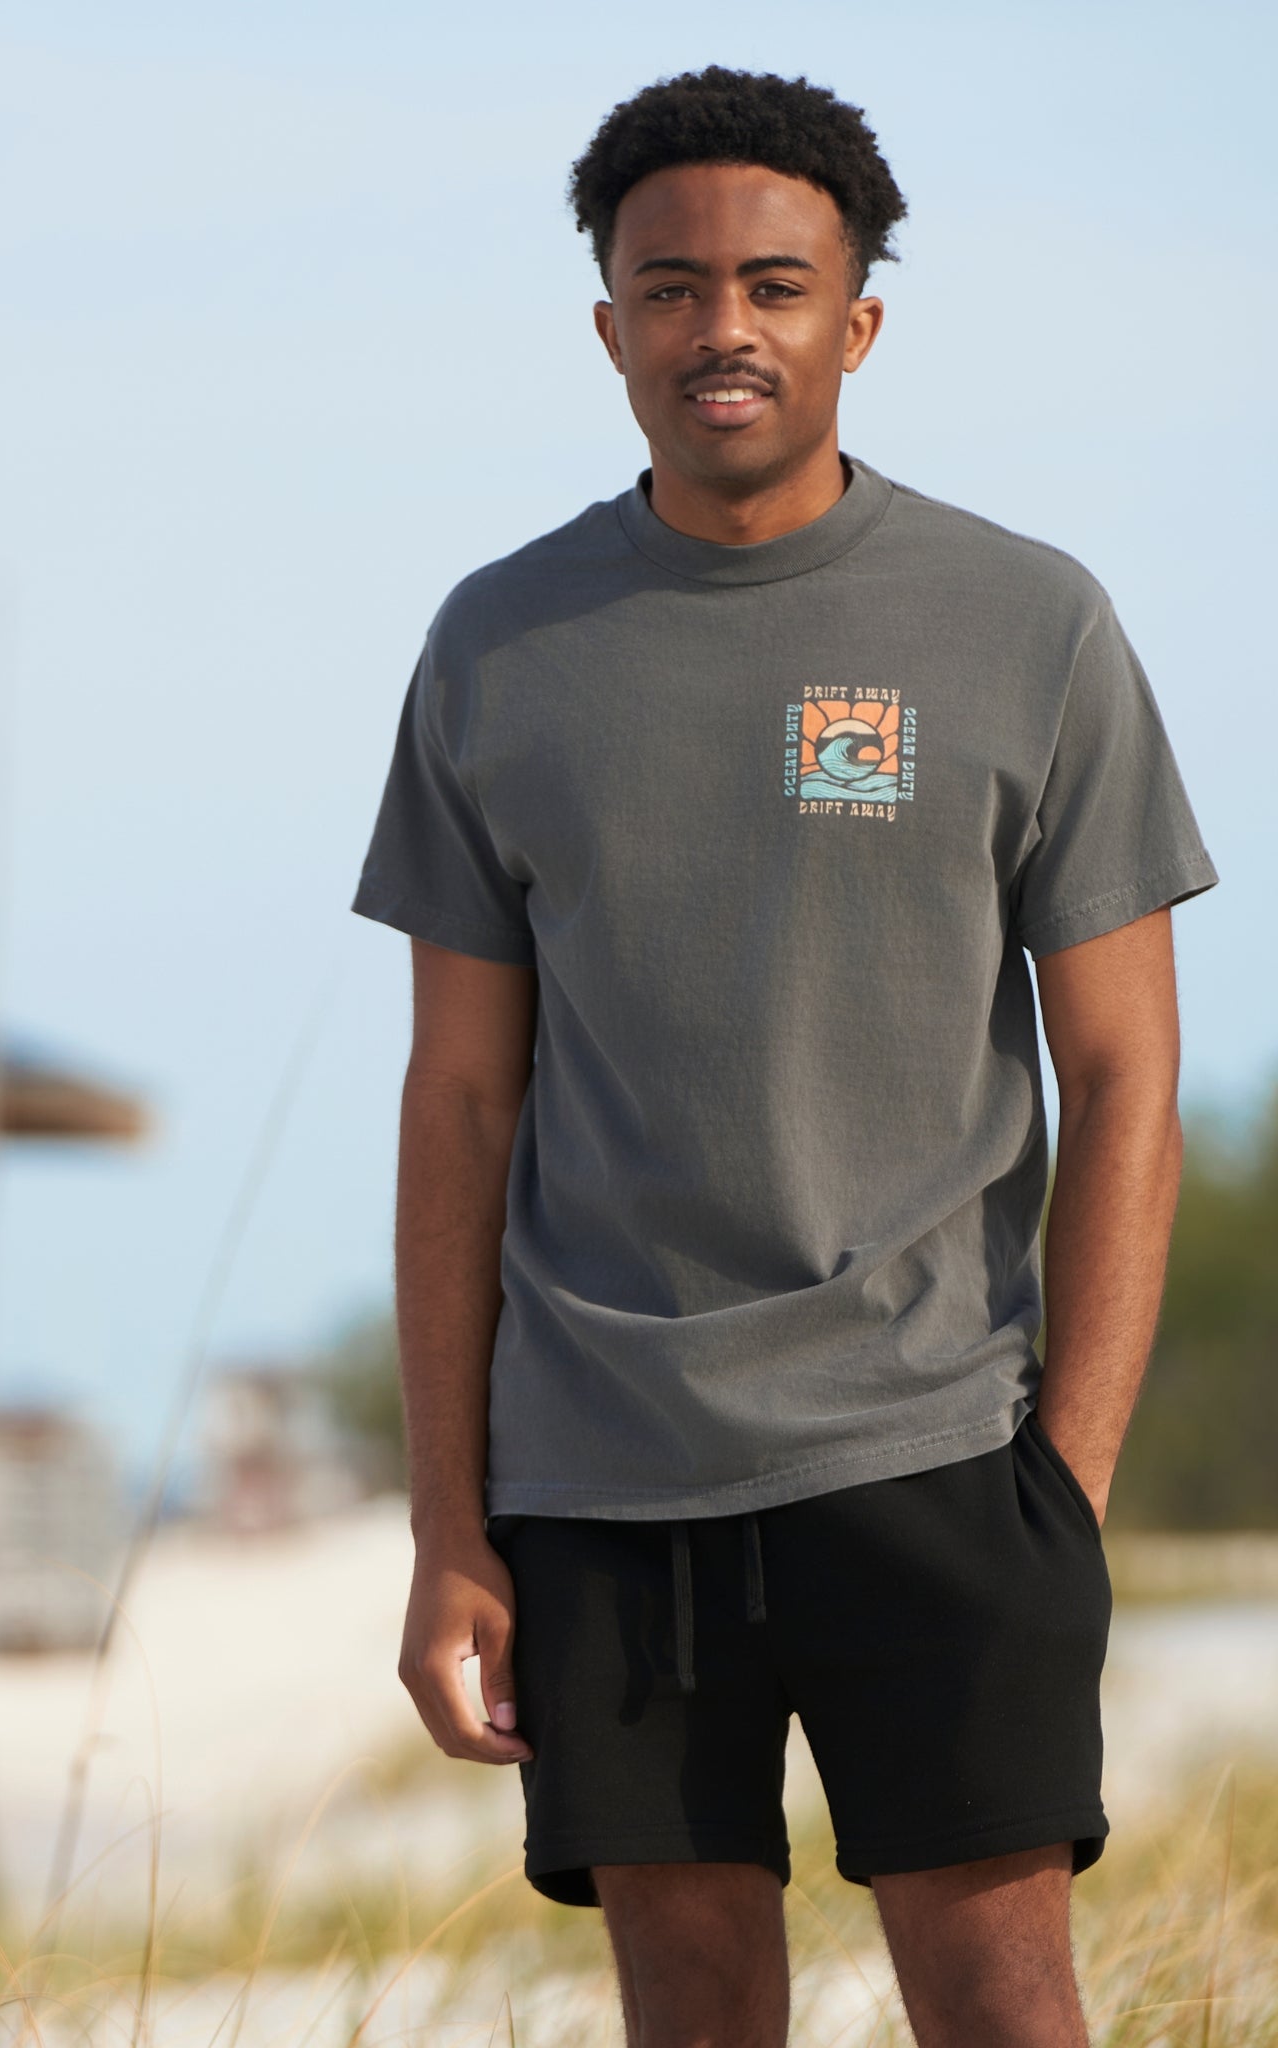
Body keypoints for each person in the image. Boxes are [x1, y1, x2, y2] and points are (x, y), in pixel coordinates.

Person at [350, 65, 1219, 2048]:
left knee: (1003, 2012)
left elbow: (1127, 1078)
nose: (718, 328)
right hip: (601, 1471)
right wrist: (446, 1523)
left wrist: (1064, 1495)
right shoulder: (498, 646)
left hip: (936, 1451)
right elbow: (457, 1100)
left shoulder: (1026, 625)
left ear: (858, 323)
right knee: (690, 2015)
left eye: (771, 284)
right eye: (668, 288)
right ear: (609, 328)